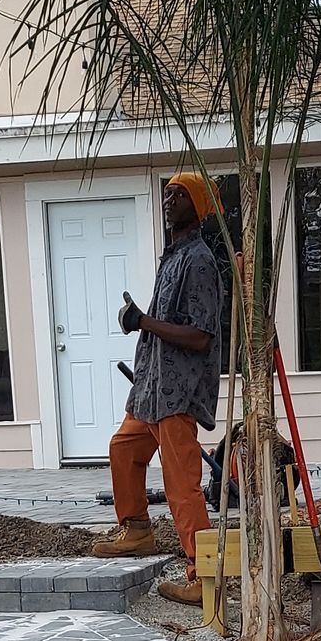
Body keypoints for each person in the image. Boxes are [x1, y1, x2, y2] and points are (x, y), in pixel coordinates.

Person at [95, 170, 225, 604]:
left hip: (177, 394)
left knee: (181, 484)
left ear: (199, 206)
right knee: (123, 450)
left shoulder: (200, 262)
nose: (168, 199)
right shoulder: (173, 257)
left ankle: (203, 574)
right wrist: (142, 321)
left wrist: (142, 321)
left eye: (179, 194)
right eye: (166, 193)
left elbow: (201, 335)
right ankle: (136, 530)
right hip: (151, 389)